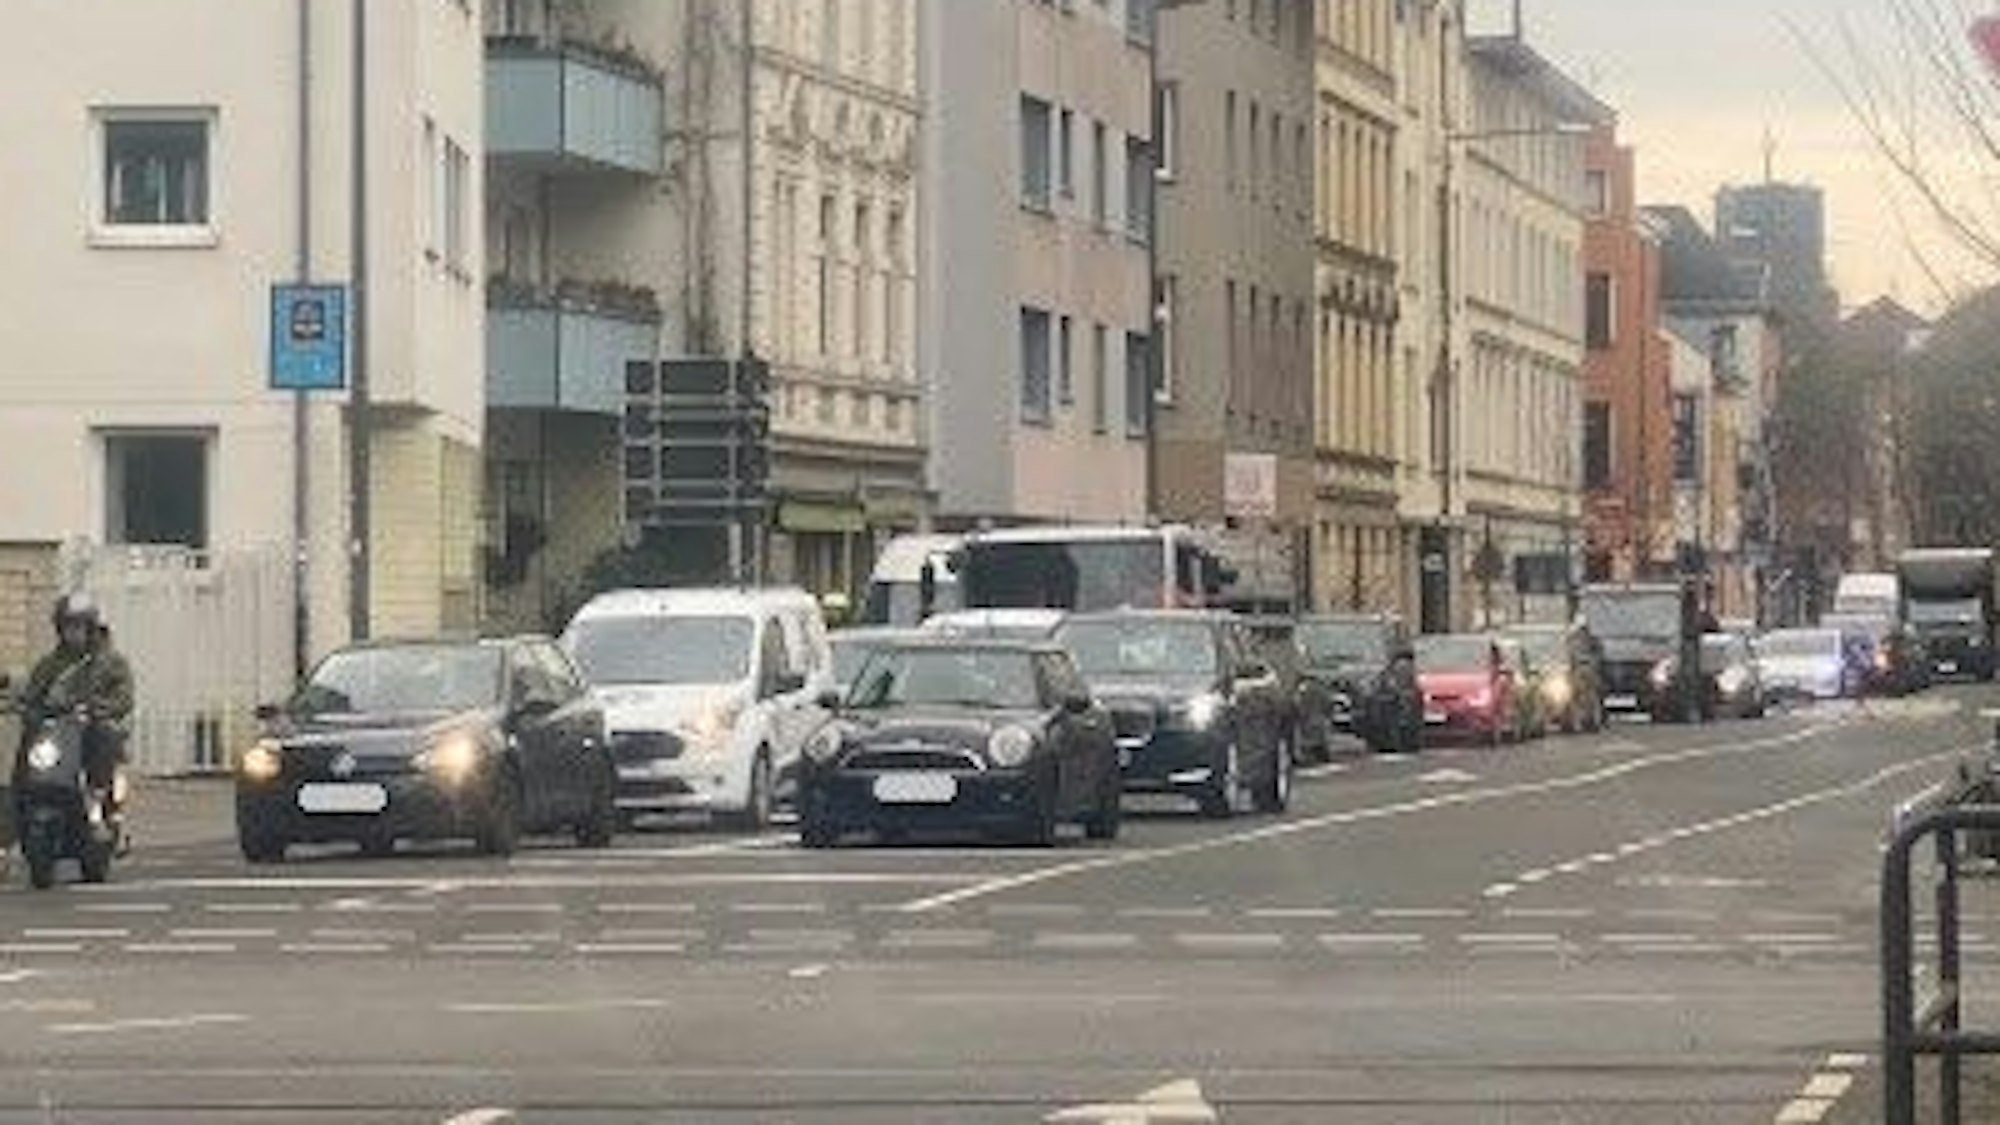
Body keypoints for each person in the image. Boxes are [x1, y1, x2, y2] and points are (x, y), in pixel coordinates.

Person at [18, 594, 133, 841]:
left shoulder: (111, 662)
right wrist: (29, 711)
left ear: (91, 628)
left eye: (78, 626)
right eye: (68, 626)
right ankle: (16, 814)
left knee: (105, 735)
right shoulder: (49, 664)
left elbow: (123, 698)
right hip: (59, 730)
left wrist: (97, 709)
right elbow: (31, 696)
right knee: (28, 742)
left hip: (93, 729)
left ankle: (101, 805)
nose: (73, 633)